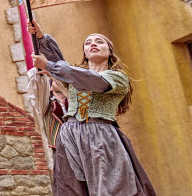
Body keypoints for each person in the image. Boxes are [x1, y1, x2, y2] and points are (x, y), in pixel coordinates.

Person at [30, 21, 156, 196]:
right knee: (70, 188)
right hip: (69, 136)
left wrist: (50, 67)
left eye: (99, 41)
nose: (93, 44)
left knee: (109, 188)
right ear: (85, 53)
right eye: (88, 43)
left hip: (101, 136)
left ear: (109, 51)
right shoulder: (75, 77)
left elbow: (92, 80)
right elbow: (60, 64)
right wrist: (42, 38)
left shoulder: (117, 78)